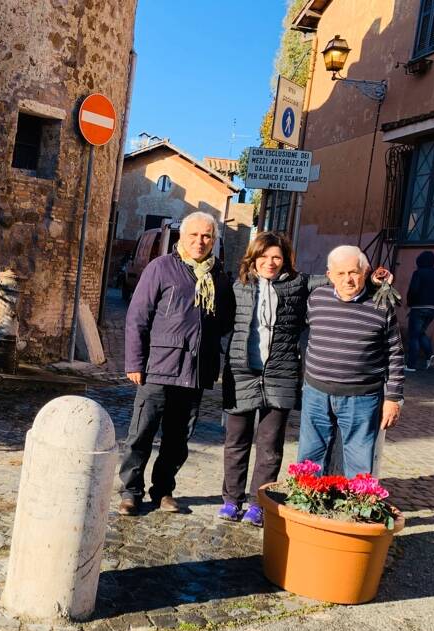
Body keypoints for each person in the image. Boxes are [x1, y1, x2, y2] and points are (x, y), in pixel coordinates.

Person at [118, 211, 233, 515]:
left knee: (178, 438)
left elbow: (224, 322)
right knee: (141, 433)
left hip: (195, 371)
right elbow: (137, 317)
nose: (200, 241)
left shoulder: (219, 276)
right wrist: (134, 361)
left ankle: (163, 491)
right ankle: (130, 492)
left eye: (207, 236)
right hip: (159, 366)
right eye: (194, 235)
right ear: (183, 236)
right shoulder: (161, 268)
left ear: (214, 240)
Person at [218, 231, 328, 526]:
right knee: (236, 442)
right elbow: (219, 320)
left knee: (269, 445)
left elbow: (338, 279)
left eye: (276, 257)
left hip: (280, 373)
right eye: (264, 256)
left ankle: (258, 502)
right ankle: (232, 500)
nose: (270, 262)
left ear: (286, 260)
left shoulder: (299, 284)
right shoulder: (238, 286)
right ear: (253, 258)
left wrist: (373, 278)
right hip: (241, 372)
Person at [297, 245, 404, 478]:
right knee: (310, 457)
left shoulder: (381, 306)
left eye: (354, 272)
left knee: (359, 462)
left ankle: (354, 509)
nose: (348, 279)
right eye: (341, 273)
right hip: (316, 393)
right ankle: (307, 507)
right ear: (329, 276)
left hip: (362, 398)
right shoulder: (316, 299)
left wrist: (393, 398)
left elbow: (395, 353)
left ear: (365, 272)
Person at [406, 250, 434, 372]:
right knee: (420, 332)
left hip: (418, 307)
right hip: (433, 308)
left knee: (413, 336)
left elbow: (413, 290)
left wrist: (410, 303)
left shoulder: (418, 273)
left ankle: (410, 365)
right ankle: (430, 356)